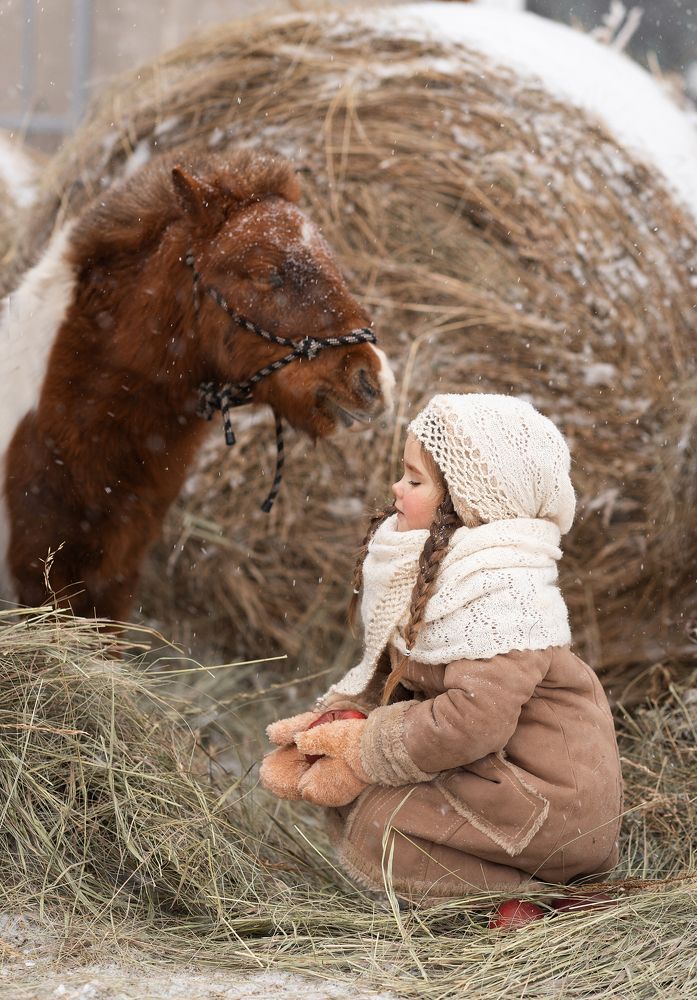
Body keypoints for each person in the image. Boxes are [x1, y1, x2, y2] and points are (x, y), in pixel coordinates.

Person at [260, 393, 623, 905]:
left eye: (414, 480)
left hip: (549, 800)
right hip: (494, 775)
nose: (395, 489)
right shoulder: (443, 578)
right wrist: (342, 720)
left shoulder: (503, 601)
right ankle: (496, 890)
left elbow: (470, 722)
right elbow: (401, 680)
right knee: (354, 798)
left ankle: (544, 900)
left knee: (381, 827)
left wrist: (364, 746)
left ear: (467, 504)